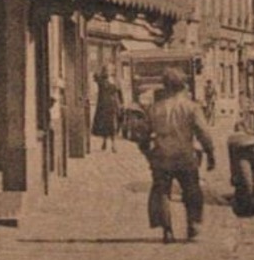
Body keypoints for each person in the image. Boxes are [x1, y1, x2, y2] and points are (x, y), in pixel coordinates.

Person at [139, 67, 216, 243]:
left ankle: (167, 231)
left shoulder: (154, 109)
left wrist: (148, 153)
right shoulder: (191, 108)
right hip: (185, 156)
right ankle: (193, 226)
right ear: (182, 86)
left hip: (162, 157)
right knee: (192, 192)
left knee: (162, 193)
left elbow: (142, 135)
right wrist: (210, 153)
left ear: (165, 86)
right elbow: (203, 133)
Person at [91, 65, 123, 153]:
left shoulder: (115, 80)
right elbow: (95, 75)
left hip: (112, 105)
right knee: (104, 125)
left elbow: (118, 93)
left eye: (109, 70)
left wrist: (120, 104)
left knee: (112, 124)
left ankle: (113, 145)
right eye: (106, 70)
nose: (107, 72)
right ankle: (104, 141)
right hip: (103, 106)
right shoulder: (101, 81)